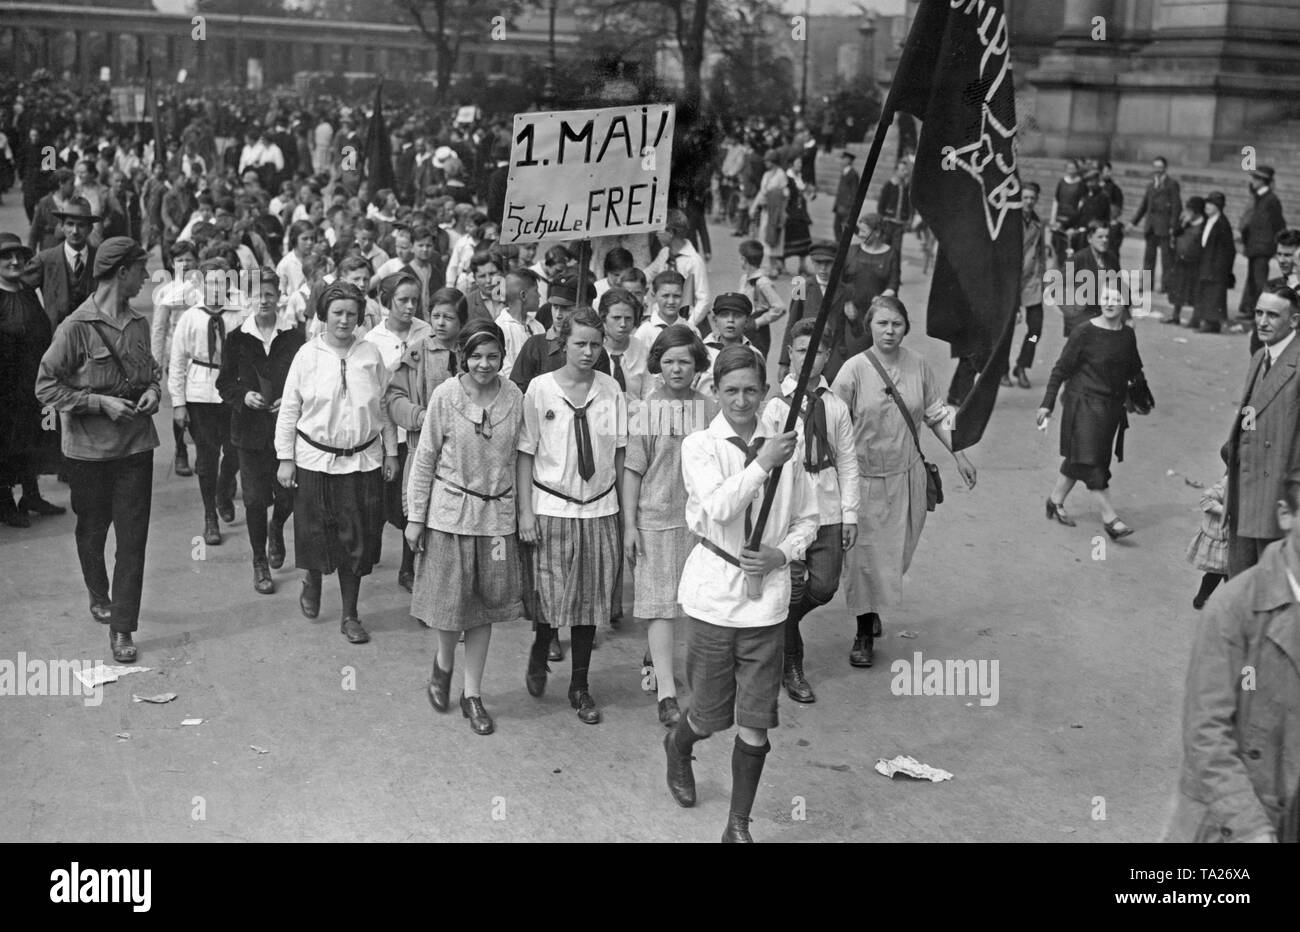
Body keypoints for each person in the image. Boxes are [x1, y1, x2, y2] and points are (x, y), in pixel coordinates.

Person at [661, 345, 818, 843]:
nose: (743, 400)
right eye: (731, 390)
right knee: (709, 715)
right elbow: (721, 508)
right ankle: (679, 745)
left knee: (756, 721)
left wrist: (783, 553)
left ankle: (737, 826)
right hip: (713, 597)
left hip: (766, 601)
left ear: (766, 387)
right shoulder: (700, 446)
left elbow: (808, 518)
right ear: (715, 390)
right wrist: (762, 464)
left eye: (752, 389)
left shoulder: (785, 447)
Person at [832, 296, 977, 667]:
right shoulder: (853, 370)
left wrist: (959, 453)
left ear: (905, 326)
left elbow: (936, 412)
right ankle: (864, 630)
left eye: (896, 324)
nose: (890, 331)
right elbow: (833, 423)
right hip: (863, 478)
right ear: (870, 326)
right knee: (863, 555)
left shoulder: (918, 366)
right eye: (882, 324)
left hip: (906, 475)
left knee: (894, 555)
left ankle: (872, 605)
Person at [34, 237, 159, 663]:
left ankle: (122, 627)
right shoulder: (75, 328)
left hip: (136, 448)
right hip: (88, 453)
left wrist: (154, 393)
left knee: (133, 540)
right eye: (140, 270)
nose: (146, 277)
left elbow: (149, 371)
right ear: (121, 272)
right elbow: (46, 385)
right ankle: (96, 590)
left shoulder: (139, 323)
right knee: (92, 530)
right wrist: (98, 402)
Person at [1162, 467, 1300, 844]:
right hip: (1233, 818)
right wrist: (1251, 829)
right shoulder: (1234, 608)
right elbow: (1206, 734)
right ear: (1286, 515)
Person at [403, 319, 522, 735]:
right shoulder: (445, 396)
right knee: (450, 604)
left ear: (503, 357)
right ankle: (443, 663)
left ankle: (473, 694)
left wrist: (520, 517)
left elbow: (519, 460)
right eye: (475, 355)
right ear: (462, 357)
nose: (484, 364)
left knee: (484, 607)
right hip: (450, 515)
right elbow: (425, 458)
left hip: (495, 522)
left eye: (492, 356)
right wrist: (415, 518)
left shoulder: (514, 397)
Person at [517, 307, 627, 724]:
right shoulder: (540, 390)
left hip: (599, 507)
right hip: (551, 506)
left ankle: (579, 685)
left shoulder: (611, 389)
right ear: (564, 343)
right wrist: (526, 512)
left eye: (595, 345)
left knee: (591, 601)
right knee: (550, 595)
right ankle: (541, 645)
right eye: (580, 343)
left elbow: (618, 453)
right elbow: (525, 454)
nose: (588, 352)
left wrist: (622, 514)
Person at [275, 280, 400, 645]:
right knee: (315, 533)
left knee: (356, 540)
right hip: (315, 460)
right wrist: (286, 459)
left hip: (362, 461)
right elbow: (289, 409)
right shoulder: (307, 355)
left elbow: (382, 407)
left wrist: (391, 452)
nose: (344, 321)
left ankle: (350, 614)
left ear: (361, 317)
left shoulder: (370, 354)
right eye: (337, 313)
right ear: (324, 316)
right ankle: (312, 578)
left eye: (351, 314)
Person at [761, 318, 859, 703]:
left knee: (825, 585)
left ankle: (777, 626)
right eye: (802, 350)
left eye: (817, 351)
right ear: (790, 354)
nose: (809, 358)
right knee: (793, 585)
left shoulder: (834, 406)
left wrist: (850, 514)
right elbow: (767, 463)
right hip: (790, 513)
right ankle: (792, 663)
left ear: (827, 356)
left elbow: (848, 461)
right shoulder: (775, 408)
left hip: (829, 508)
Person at [622, 325, 713, 725]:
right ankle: (666, 691)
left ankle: (697, 676)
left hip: (699, 521)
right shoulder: (646, 410)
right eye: (670, 361)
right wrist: (630, 525)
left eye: (686, 361)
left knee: (694, 603)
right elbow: (633, 471)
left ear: (698, 365)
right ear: (658, 363)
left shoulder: (710, 408)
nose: (677, 369)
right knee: (659, 605)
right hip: (655, 519)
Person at [216, 271, 303, 594]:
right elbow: (224, 383)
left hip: (285, 432)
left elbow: (305, 381)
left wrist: (290, 399)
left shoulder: (293, 338)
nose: (264, 300)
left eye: (269, 294)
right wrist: (243, 396)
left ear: (279, 296)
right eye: (258, 295)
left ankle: (277, 525)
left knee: (287, 496)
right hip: (249, 433)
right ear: (248, 299)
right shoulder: (237, 338)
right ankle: (259, 561)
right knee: (253, 500)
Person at [1038, 284, 1147, 539]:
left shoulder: (1127, 335)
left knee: (1081, 457)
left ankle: (1054, 500)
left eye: (1116, 299)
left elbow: (1134, 369)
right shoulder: (1084, 332)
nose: (1109, 303)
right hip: (1082, 404)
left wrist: (1142, 398)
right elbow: (1060, 369)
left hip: (1110, 410)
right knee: (1092, 461)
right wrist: (1047, 403)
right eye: (1105, 298)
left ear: (1124, 305)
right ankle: (1110, 518)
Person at [1220, 287, 1300, 576]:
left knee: (1271, 584)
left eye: (1272, 315)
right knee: (1240, 579)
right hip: (1245, 486)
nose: (1262, 322)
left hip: (1277, 495)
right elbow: (1253, 412)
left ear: (1293, 321)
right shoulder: (1259, 356)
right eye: (1258, 313)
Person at [379, 276, 452, 592]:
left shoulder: (431, 333)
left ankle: (417, 573)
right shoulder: (377, 340)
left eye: (414, 300)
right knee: (403, 509)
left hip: (447, 447)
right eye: (402, 300)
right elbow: (387, 398)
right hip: (403, 438)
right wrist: (393, 449)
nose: (410, 307)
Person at [169, 258, 246, 545]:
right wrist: (178, 402)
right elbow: (177, 361)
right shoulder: (191, 318)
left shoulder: (238, 316)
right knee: (207, 456)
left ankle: (225, 488)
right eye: (211, 282)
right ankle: (210, 516)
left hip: (232, 392)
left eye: (222, 281)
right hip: (200, 393)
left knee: (236, 449)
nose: (216, 288)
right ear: (202, 284)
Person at [0, 233, 61, 527]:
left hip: (32, 382)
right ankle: (5, 502)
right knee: (7, 443)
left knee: (32, 439)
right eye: (6, 257)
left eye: (18, 256)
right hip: (6, 386)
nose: (14, 262)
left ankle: (31, 495)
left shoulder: (26, 291)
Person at [835, 214, 899, 384]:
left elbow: (893, 283)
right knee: (850, 355)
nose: (860, 235)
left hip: (874, 315)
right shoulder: (851, 250)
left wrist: (883, 297)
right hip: (850, 313)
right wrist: (846, 302)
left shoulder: (891, 254)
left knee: (870, 359)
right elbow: (839, 280)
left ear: (877, 232)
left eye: (864, 231)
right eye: (859, 231)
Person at [28, 197, 98, 332]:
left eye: (81, 225)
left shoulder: (100, 258)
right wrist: (39, 317)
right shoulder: (45, 259)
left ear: (90, 228)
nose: (75, 231)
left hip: (93, 338)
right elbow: (21, 288)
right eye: (70, 224)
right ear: (61, 227)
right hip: (56, 338)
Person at [1003, 181, 1048, 389]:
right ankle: (1002, 368)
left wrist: (1043, 276)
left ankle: (1021, 365)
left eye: (1032, 198)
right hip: (1009, 280)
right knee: (1006, 330)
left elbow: (1041, 253)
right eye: (1025, 197)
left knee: (1035, 330)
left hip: (1032, 281)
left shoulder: (1038, 224)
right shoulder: (1009, 220)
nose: (1029, 202)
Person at [1237, 165, 1287, 323]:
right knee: (1252, 280)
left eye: (1256, 179)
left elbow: (1279, 224)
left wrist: (1275, 245)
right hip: (1254, 245)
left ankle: (1260, 314)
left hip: (1262, 247)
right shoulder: (1259, 197)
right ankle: (1251, 311)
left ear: (1263, 181)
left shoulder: (1271, 200)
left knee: (1259, 282)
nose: (1253, 181)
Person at [646, 209, 710, 329]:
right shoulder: (664, 254)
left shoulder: (693, 260)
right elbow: (648, 274)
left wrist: (689, 324)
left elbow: (704, 299)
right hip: (665, 317)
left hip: (686, 320)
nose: (656, 234)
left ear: (670, 232)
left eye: (659, 230)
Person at [1130, 156, 1182, 294]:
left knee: (1167, 259)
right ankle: (1146, 284)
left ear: (1165, 168)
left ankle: (1166, 286)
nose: (1157, 170)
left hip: (1165, 227)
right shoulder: (1151, 185)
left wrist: (1172, 226)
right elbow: (1144, 206)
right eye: (1155, 167)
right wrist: (1133, 222)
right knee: (1148, 258)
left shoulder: (1171, 184)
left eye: (1160, 167)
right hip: (1151, 226)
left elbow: (1176, 207)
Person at [1192, 191, 1236, 334]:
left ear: (1219, 206)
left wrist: (1222, 266)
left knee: (1214, 296)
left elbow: (1229, 249)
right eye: (1207, 203)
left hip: (1216, 266)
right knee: (1205, 293)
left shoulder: (1222, 223)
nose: (1207, 206)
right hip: (1205, 262)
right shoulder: (1208, 220)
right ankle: (1202, 320)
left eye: (1211, 204)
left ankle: (1211, 323)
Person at [737, 239, 786, 359]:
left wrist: (758, 322)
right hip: (744, 327)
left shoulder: (762, 282)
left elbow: (779, 307)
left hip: (757, 333)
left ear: (744, 259)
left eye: (740, 258)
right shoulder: (744, 279)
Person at [1187, 474, 1228, 611]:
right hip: (1223, 537)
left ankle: (1234, 604)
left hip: (1240, 539)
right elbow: (1206, 499)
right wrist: (1226, 510)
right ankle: (1203, 594)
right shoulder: (1228, 482)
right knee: (1218, 571)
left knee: (1233, 574)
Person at [1164, 197, 1205, 327]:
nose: (1186, 213)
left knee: (1193, 290)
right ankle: (1175, 315)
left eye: (1189, 210)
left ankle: (1195, 318)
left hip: (1194, 262)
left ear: (1197, 212)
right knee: (1178, 288)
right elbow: (1175, 234)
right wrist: (1182, 224)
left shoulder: (1203, 225)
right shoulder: (1186, 222)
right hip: (1180, 260)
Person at [599, 287, 647, 397]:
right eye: (616, 318)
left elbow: (649, 394)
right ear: (603, 318)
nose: (623, 324)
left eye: (628, 318)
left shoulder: (642, 350)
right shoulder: (592, 350)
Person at [632, 270, 688, 348]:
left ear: (684, 296)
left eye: (676, 296)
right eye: (665, 296)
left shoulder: (690, 330)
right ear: (654, 296)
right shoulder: (644, 332)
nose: (671, 301)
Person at [832, 151, 859, 242]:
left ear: (848, 160)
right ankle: (839, 245)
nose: (841, 161)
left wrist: (849, 206)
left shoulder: (853, 173)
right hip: (840, 205)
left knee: (846, 227)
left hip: (846, 206)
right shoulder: (844, 171)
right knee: (837, 226)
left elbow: (854, 192)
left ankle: (841, 246)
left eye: (843, 159)